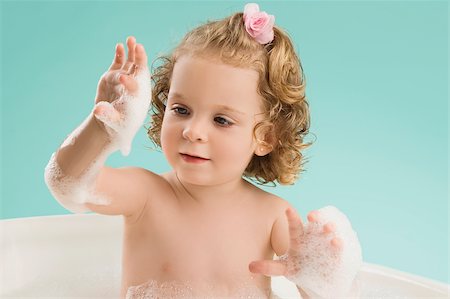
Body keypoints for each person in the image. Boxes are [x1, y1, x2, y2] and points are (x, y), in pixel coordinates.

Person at [44, 3, 361, 298]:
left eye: (221, 120)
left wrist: (315, 277)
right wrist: (100, 128)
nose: (193, 131)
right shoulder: (146, 195)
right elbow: (69, 184)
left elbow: (324, 293)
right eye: (181, 109)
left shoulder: (273, 216)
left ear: (266, 137)